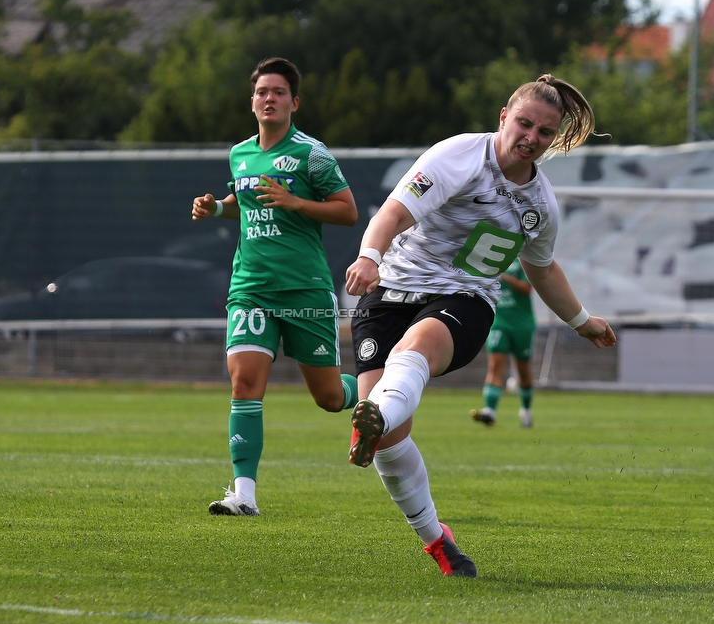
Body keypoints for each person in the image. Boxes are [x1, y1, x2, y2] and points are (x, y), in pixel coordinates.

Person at [343, 74, 616, 576]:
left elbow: (541, 267)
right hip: (389, 292)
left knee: (416, 349)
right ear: (503, 119)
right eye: (525, 123)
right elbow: (396, 211)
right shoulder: (457, 156)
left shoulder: (540, 204)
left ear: (554, 139)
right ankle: (437, 539)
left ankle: (374, 409)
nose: (531, 137)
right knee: (388, 443)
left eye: (544, 132)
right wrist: (369, 257)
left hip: (464, 299)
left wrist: (581, 321)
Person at [191, 57, 360, 517]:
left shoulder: (312, 154)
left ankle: (374, 390)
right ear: (253, 101)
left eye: (278, 92)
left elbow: (348, 211)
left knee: (328, 398)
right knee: (245, 382)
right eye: (262, 91)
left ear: (294, 102)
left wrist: (296, 202)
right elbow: (242, 204)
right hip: (250, 287)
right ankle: (243, 494)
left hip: (304, 289)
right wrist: (216, 208)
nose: (269, 98)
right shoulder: (240, 153)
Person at [470, 257, 537, 428]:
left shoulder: (521, 261)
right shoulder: (490, 258)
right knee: (494, 365)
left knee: (523, 369)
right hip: (499, 321)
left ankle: (526, 411)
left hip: (522, 323)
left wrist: (505, 277)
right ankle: (490, 411)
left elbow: (527, 288)